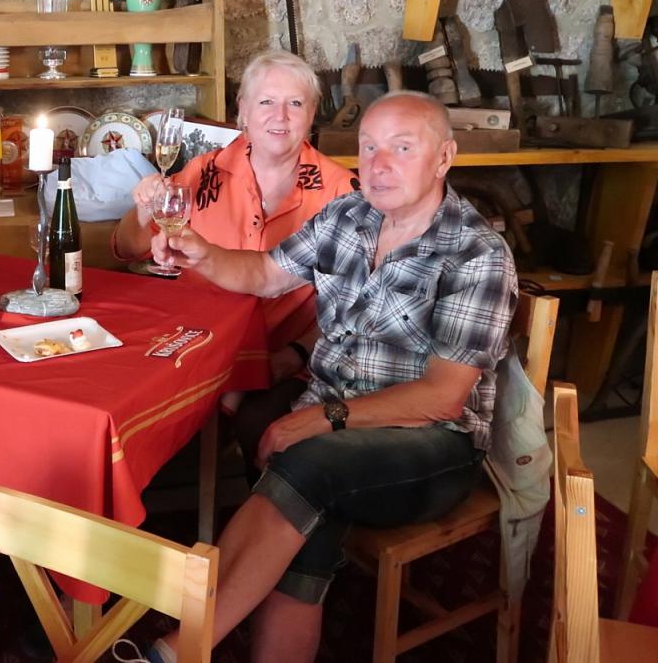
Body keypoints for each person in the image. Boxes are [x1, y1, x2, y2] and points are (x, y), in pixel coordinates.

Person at [143, 92, 518, 663]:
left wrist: (323, 418)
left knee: (306, 464)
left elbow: (444, 398)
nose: (379, 164)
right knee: (307, 518)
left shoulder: (476, 254)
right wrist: (201, 252)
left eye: (401, 148)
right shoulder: (348, 215)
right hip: (337, 426)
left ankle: (182, 646)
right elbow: (264, 273)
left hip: (433, 444)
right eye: (368, 148)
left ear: (444, 157)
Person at [113, 50, 356, 387]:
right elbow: (127, 248)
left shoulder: (342, 191)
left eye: (296, 104)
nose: (281, 116)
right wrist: (144, 206)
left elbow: (357, 303)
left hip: (285, 361)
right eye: (266, 102)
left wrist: (296, 354)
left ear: (312, 112)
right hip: (192, 347)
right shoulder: (203, 172)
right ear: (243, 109)